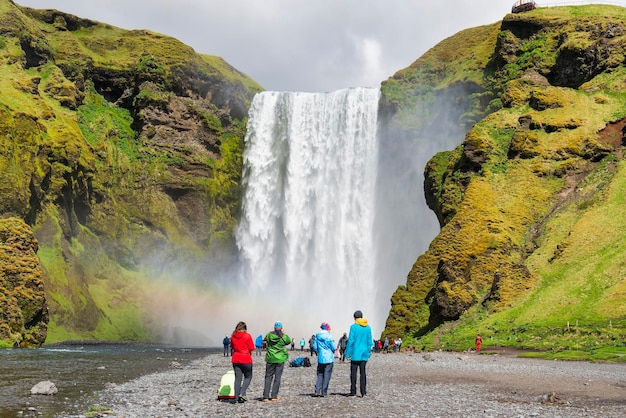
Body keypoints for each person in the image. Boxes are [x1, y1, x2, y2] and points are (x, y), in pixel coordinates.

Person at [345, 310, 373, 397]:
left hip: (355, 354)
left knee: (353, 373)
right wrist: (368, 352)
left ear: (355, 318)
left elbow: (351, 341)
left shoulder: (353, 327)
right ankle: (363, 392)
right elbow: (369, 341)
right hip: (364, 353)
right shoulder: (368, 327)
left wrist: (347, 354)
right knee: (363, 373)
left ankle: (353, 391)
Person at [262, 321, 291, 402]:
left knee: (268, 377)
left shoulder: (269, 335)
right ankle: (274, 396)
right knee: (277, 377)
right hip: (280, 358)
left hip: (271, 358)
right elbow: (288, 341)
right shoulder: (284, 336)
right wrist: (282, 333)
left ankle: (265, 396)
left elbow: (264, 340)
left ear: (274, 328)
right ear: (281, 328)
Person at [230, 321, 255, 403]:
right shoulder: (247, 336)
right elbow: (251, 348)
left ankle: (236, 398)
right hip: (246, 359)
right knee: (248, 377)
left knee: (237, 379)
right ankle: (242, 392)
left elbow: (232, 347)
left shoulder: (233, 336)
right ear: (245, 329)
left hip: (236, 359)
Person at [313, 322, 336, 397]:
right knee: (327, 375)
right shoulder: (329, 336)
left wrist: (319, 351)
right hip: (329, 358)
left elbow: (315, 347)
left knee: (320, 374)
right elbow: (333, 347)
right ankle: (324, 392)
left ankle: (317, 390)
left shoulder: (317, 336)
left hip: (321, 358)